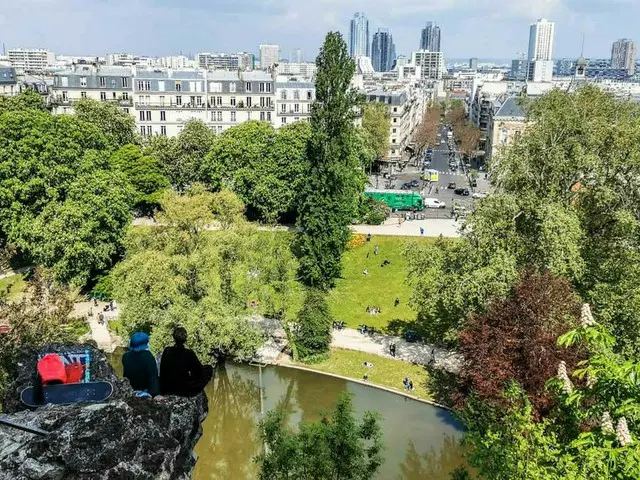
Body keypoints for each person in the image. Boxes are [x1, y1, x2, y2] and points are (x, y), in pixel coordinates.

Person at [160, 327, 213, 397]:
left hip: (167, 386)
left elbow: (162, 369)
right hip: (183, 388)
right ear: (185, 339)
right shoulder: (189, 353)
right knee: (208, 368)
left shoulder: (167, 351)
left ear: (173, 338)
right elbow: (198, 370)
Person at [122, 332, 160, 397]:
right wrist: (154, 394)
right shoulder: (148, 357)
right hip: (145, 391)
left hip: (130, 389)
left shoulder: (125, 356)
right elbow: (153, 377)